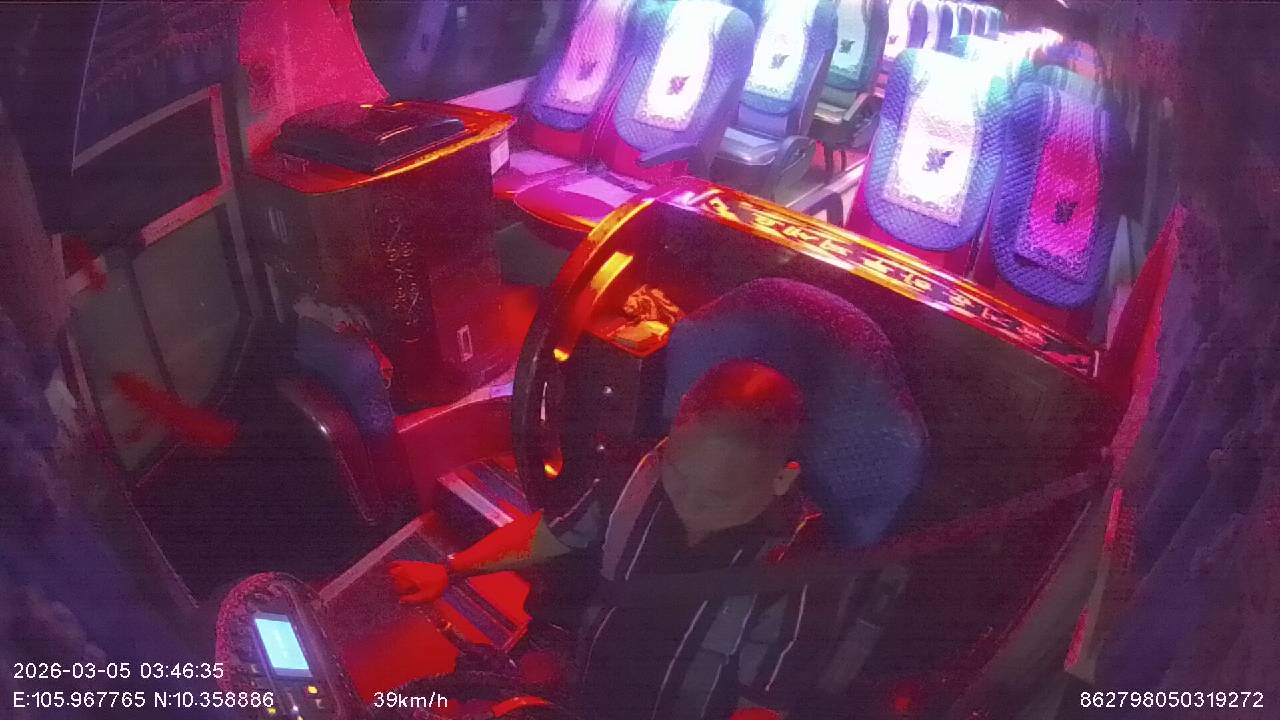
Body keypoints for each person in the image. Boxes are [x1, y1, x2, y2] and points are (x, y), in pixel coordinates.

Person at [390, 360, 844, 720]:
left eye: (716, 496)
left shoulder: (797, 574)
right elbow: (555, 532)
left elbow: (761, 706)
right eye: (677, 472)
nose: (685, 502)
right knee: (401, 703)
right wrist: (451, 569)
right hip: (587, 692)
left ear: (782, 479)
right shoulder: (641, 474)